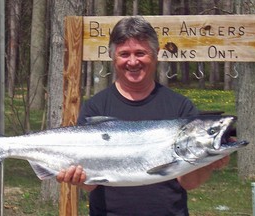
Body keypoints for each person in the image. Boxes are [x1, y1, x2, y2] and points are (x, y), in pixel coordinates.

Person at [57, 16, 229, 216]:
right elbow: (91, 185)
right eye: (124, 54)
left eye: (140, 53)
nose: (132, 61)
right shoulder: (96, 107)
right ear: (113, 57)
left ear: (156, 54)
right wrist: (78, 178)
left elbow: (189, 183)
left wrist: (207, 162)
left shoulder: (181, 108)